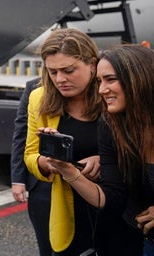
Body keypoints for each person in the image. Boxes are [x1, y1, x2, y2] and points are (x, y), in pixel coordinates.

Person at [45, 44, 152, 254]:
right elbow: (110, 198)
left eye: (111, 79)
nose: (102, 90)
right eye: (99, 81)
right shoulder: (111, 126)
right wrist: (67, 170)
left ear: (141, 77)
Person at [23, 28, 120, 255]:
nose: (60, 79)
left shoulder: (112, 94)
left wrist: (103, 160)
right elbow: (29, 154)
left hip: (113, 202)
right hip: (62, 206)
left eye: (68, 70)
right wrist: (49, 162)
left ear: (93, 64)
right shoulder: (39, 98)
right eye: (52, 72)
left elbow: (137, 145)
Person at [10, 77, 52, 256]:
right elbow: (21, 134)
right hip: (41, 185)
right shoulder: (34, 88)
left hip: (78, 183)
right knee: (46, 246)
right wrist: (18, 179)